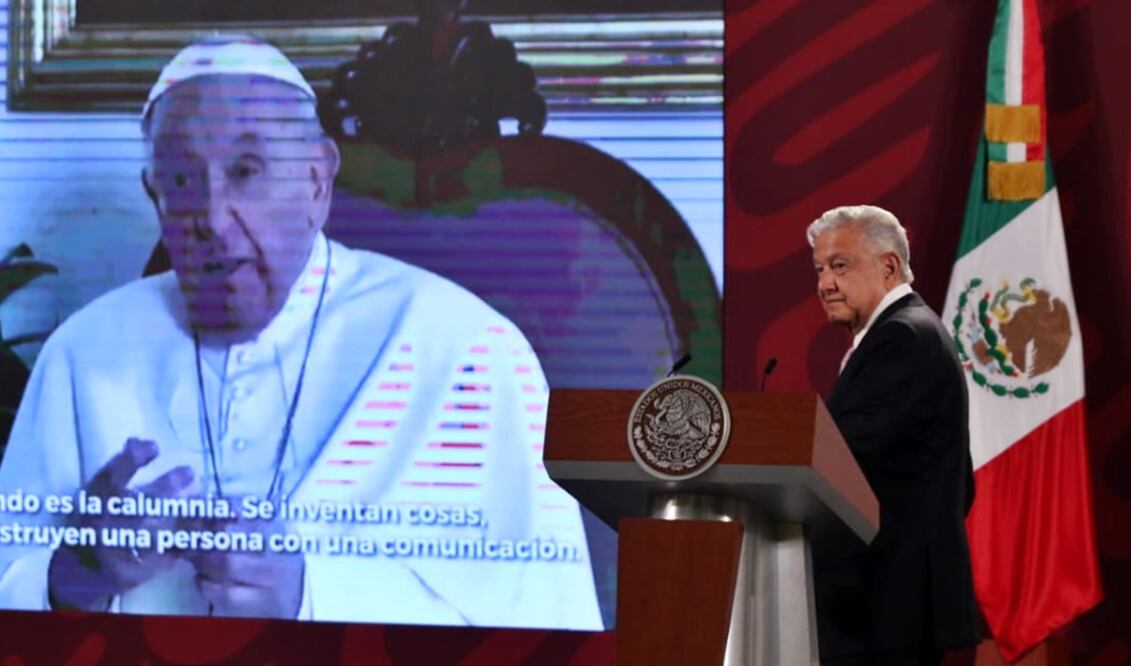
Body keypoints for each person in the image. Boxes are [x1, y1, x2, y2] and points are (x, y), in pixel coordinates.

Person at [0, 35, 601, 629]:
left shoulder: (466, 350)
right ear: (154, 196)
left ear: (317, 180)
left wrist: (311, 594)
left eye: (246, 171)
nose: (210, 218)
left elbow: (545, 626)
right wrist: (74, 574)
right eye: (182, 181)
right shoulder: (84, 351)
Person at [808, 205, 978, 665]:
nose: (825, 283)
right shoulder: (907, 331)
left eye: (839, 266)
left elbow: (844, 460)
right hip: (883, 607)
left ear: (888, 266)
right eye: (820, 269)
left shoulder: (903, 337)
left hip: (883, 608)